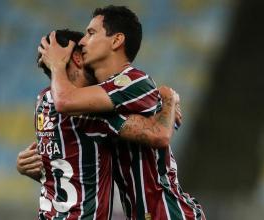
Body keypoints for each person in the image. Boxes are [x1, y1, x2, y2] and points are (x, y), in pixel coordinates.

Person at [39, 5, 205, 220]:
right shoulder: (105, 99)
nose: (82, 41)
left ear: (116, 41)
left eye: (91, 33)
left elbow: (160, 135)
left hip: (169, 213)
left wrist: (57, 66)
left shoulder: (132, 80)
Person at [20, 29, 180, 220]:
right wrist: (167, 99)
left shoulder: (43, 102)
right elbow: (159, 133)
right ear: (78, 59)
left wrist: (28, 167)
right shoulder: (91, 112)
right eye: (85, 50)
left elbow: (69, 171)